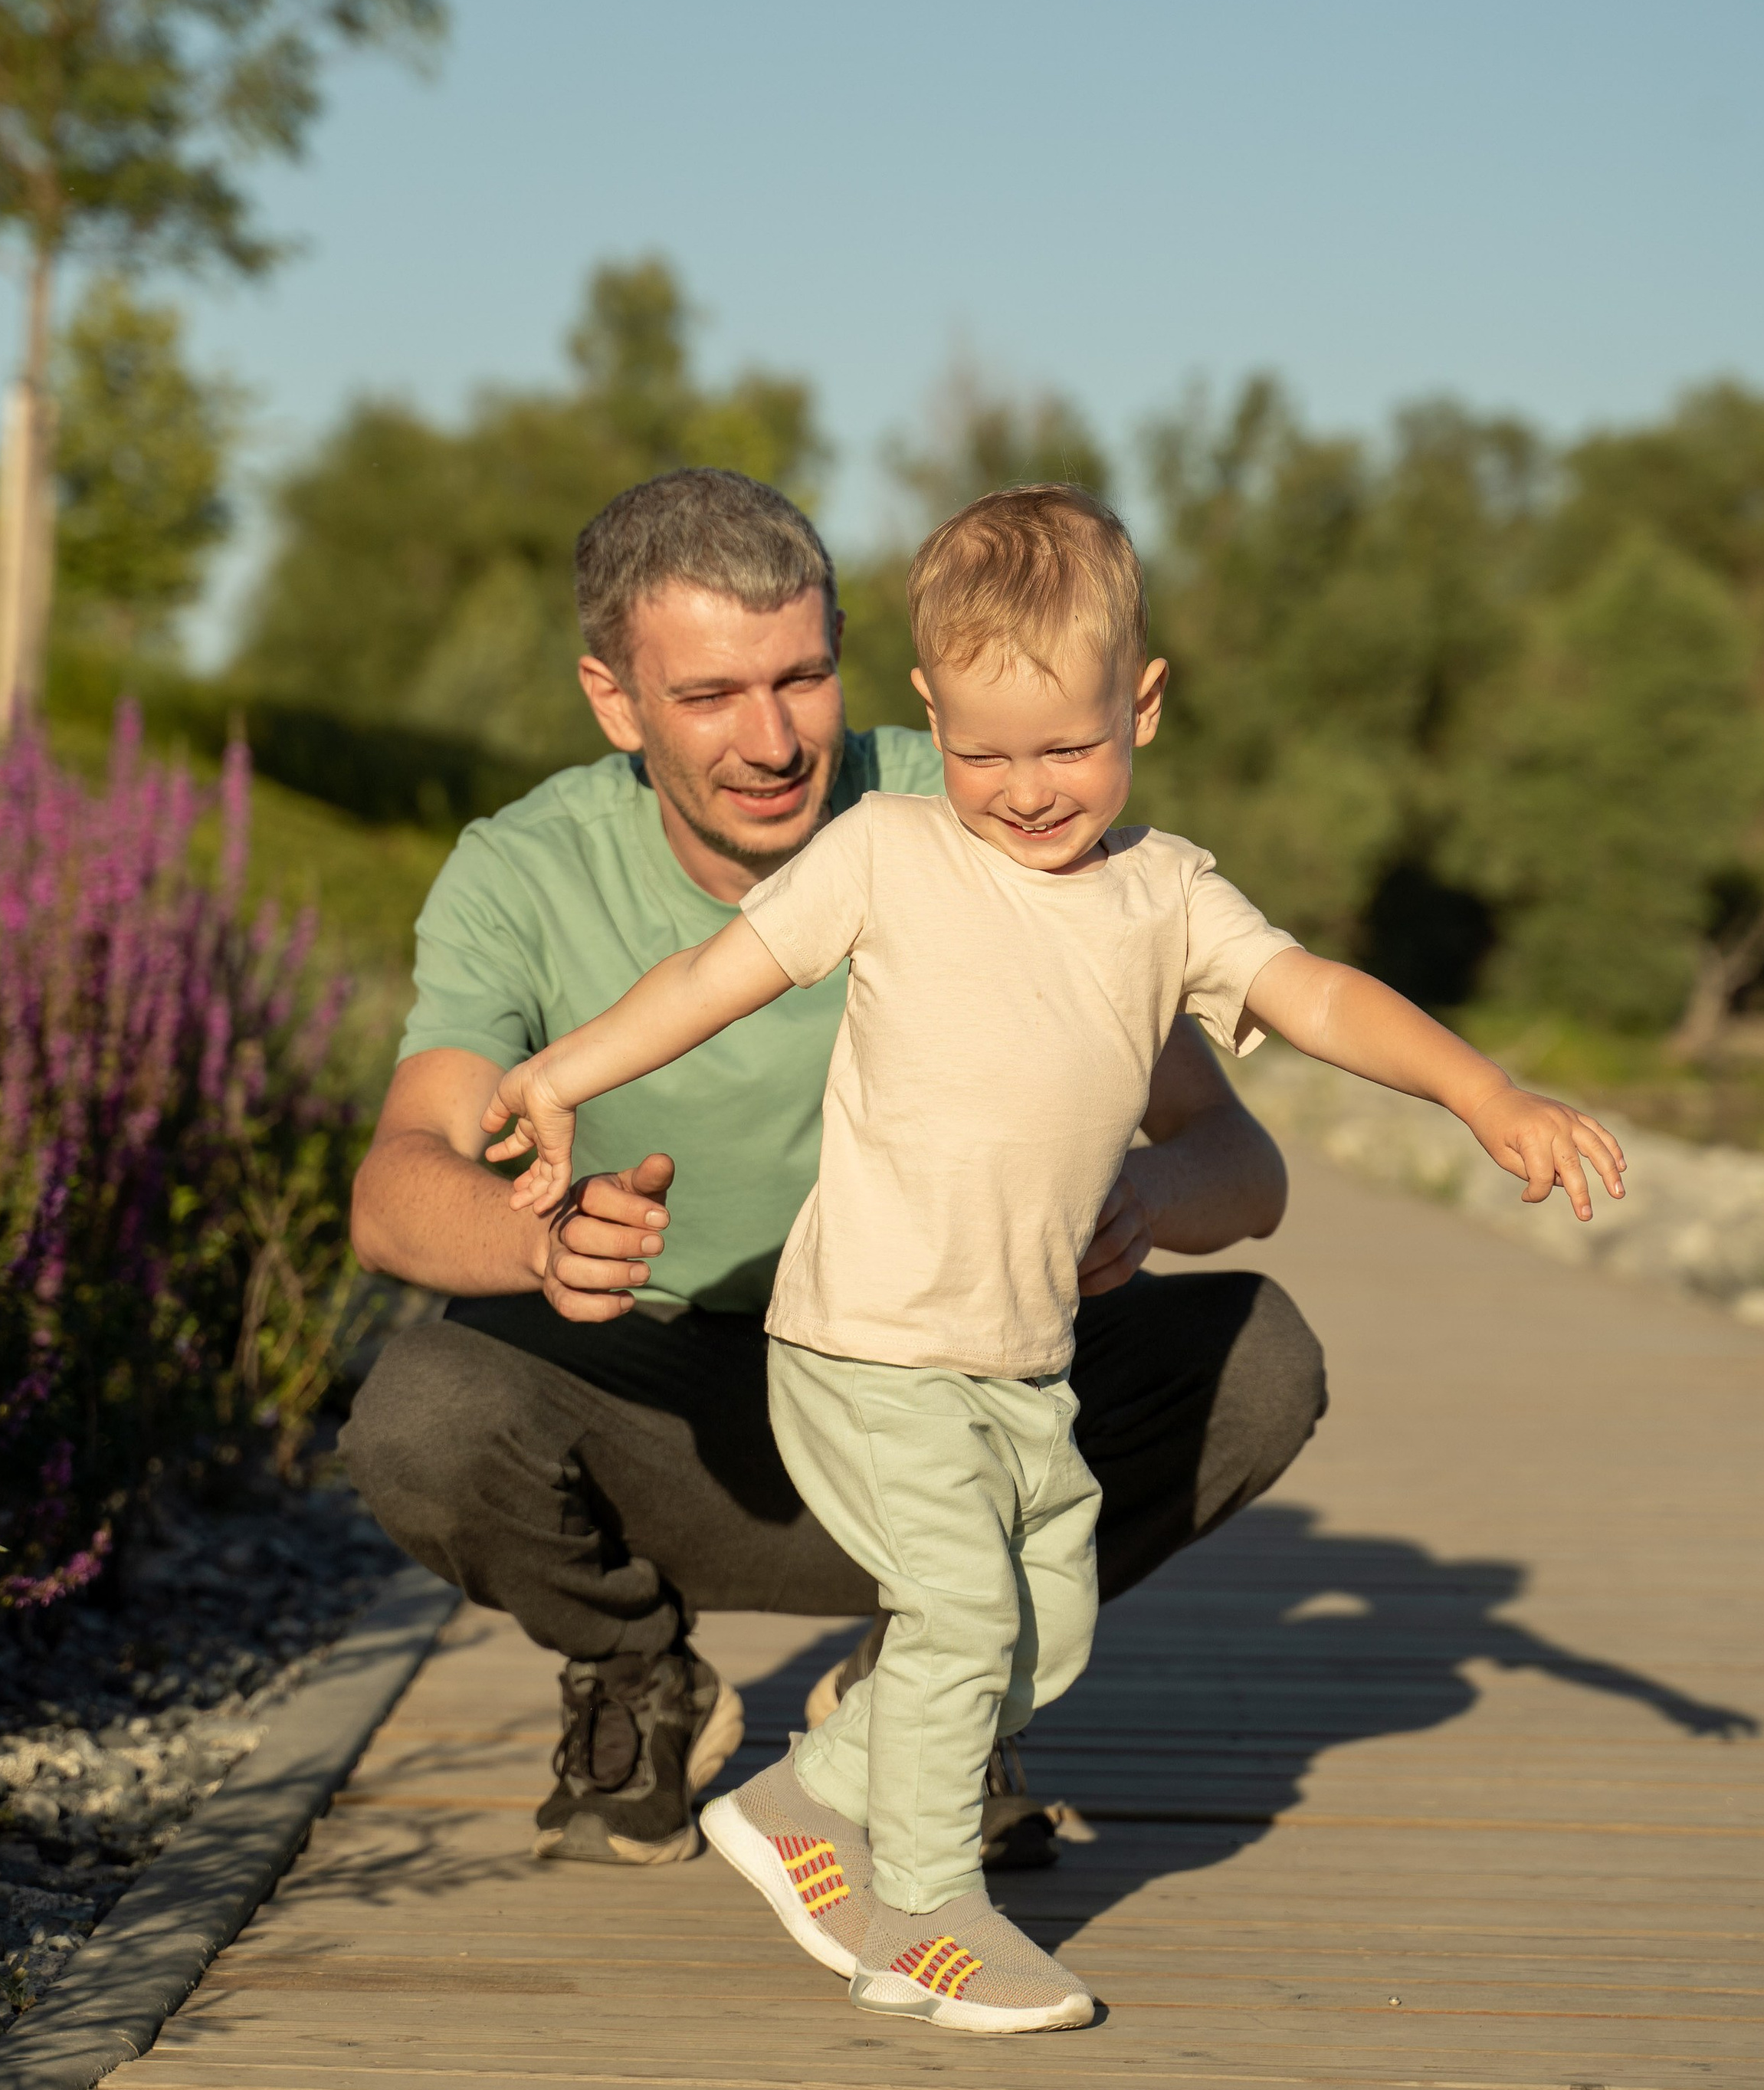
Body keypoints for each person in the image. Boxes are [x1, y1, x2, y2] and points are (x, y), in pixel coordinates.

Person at [478, 484, 1627, 2035]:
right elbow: (712, 976)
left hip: (1018, 1355)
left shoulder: (1165, 896)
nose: (1022, 792)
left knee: (1047, 1624)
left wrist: (1483, 1091)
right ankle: (927, 1916)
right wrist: (559, 1078)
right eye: (980, 751)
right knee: (959, 1619)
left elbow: (1320, 995)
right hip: (865, 1340)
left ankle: (812, 1797)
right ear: (926, 714)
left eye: (1064, 749)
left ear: (1138, 705)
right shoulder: (882, 852)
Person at [342, 468, 1326, 1870]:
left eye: (805, 676)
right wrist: (541, 1243)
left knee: (1259, 1355)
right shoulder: (521, 870)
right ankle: (638, 1672)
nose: (774, 737)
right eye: (710, 695)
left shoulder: (990, 795)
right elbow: (395, 1187)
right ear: (615, 699)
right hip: (676, 1413)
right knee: (421, 1408)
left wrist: (1150, 1203)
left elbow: (1238, 1159)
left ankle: (927, 1693)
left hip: (958, 1395)